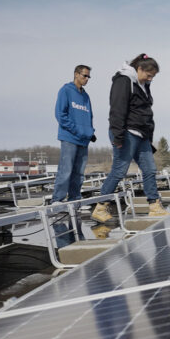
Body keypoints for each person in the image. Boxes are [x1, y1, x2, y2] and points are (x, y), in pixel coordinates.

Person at [92, 54, 169, 232]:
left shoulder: (143, 85)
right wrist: (118, 136)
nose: (151, 79)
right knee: (120, 170)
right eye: (149, 75)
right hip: (126, 133)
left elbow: (145, 112)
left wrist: (148, 138)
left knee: (150, 170)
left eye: (153, 77)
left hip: (141, 135)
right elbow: (117, 108)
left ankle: (154, 206)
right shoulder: (124, 81)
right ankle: (101, 207)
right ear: (139, 69)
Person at [51, 64, 96, 247]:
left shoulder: (85, 96)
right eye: (84, 76)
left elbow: (89, 116)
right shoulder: (66, 91)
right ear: (76, 74)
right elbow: (61, 115)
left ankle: (75, 200)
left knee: (79, 172)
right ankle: (58, 200)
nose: (86, 79)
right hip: (70, 137)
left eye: (89, 77)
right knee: (67, 169)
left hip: (84, 139)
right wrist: (78, 130)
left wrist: (90, 131)